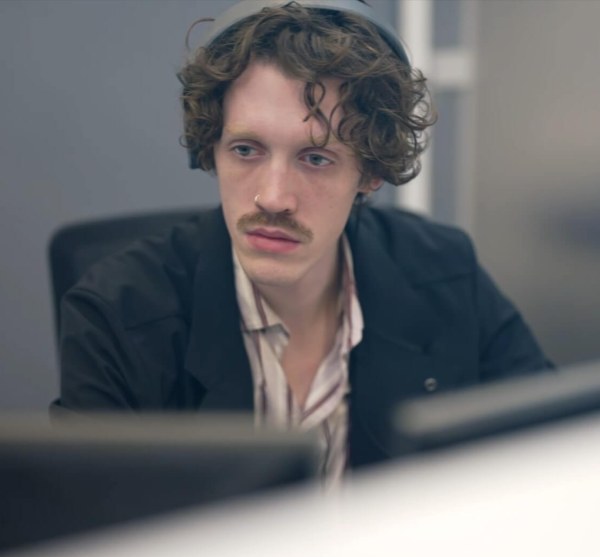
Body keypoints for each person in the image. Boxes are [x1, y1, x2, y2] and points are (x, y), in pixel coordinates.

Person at [54, 0, 551, 482]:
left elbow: (557, 447)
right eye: (246, 150)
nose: (273, 198)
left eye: (315, 158)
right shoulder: (118, 313)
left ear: (371, 172)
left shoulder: (444, 270)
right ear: (212, 150)